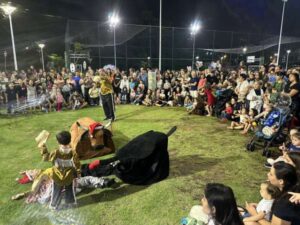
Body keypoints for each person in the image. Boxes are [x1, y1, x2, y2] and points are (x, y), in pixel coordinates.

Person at [39, 131, 81, 209]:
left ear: (58, 141)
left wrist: (43, 146)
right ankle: (70, 203)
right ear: (70, 140)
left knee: (56, 191)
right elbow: (77, 164)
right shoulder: (72, 152)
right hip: (69, 176)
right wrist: (78, 173)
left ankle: (54, 205)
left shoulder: (55, 152)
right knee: (69, 190)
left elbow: (46, 157)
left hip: (57, 176)